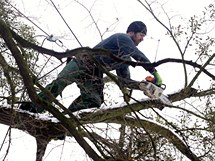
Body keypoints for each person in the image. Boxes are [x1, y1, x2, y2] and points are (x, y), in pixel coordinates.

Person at [20, 21, 162, 113]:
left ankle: (66, 119)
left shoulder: (124, 59)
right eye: (141, 35)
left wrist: (142, 86)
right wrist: (153, 70)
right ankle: (33, 108)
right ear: (131, 32)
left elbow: (125, 81)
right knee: (61, 82)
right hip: (83, 62)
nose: (142, 39)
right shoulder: (122, 38)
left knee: (94, 101)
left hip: (94, 74)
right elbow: (137, 54)